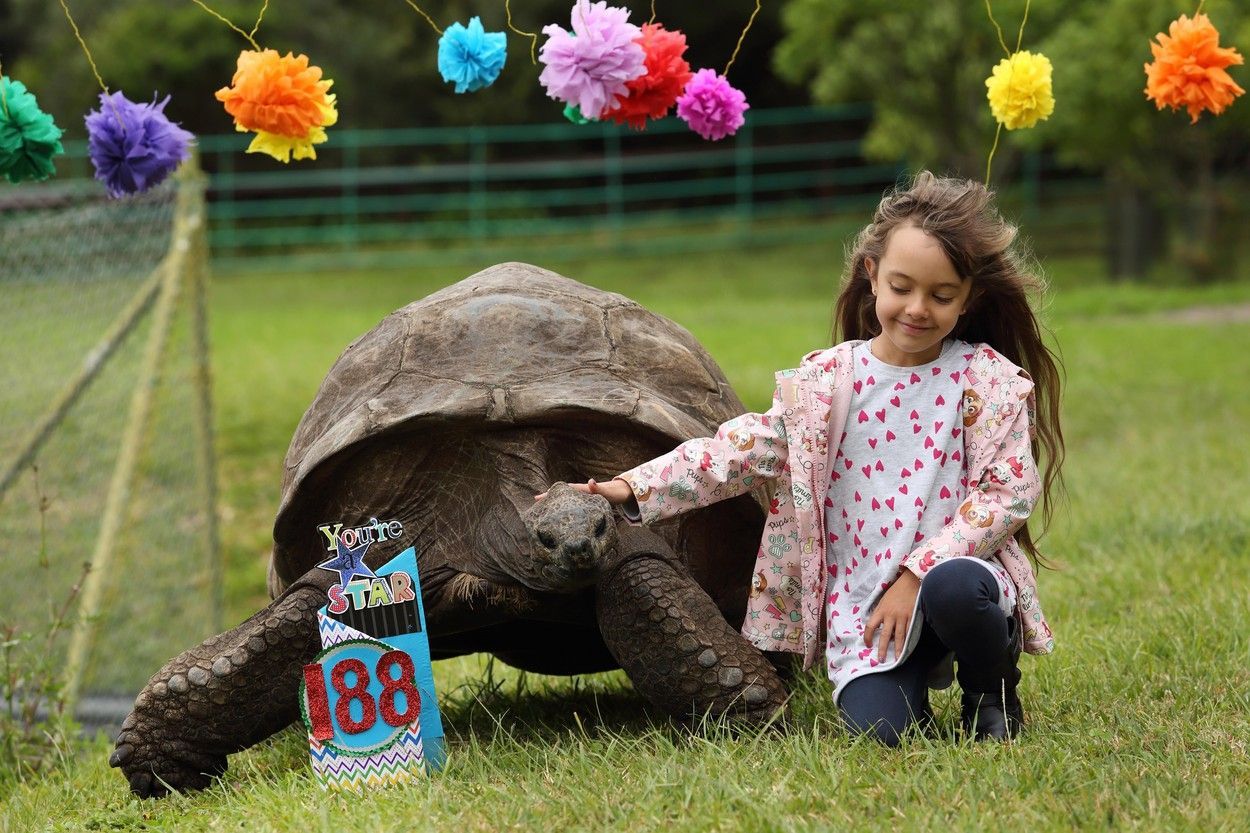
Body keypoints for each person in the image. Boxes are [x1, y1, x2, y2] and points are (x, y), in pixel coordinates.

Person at [545, 171, 1064, 744]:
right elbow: (732, 453)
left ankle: (989, 690)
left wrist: (918, 573)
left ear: (969, 300)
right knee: (879, 733)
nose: (917, 309)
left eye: (941, 296)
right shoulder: (827, 384)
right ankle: (906, 682)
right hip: (866, 604)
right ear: (871, 276)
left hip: (951, 578)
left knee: (958, 590)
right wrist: (630, 488)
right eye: (902, 286)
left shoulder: (986, 381)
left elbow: (1008, 493)